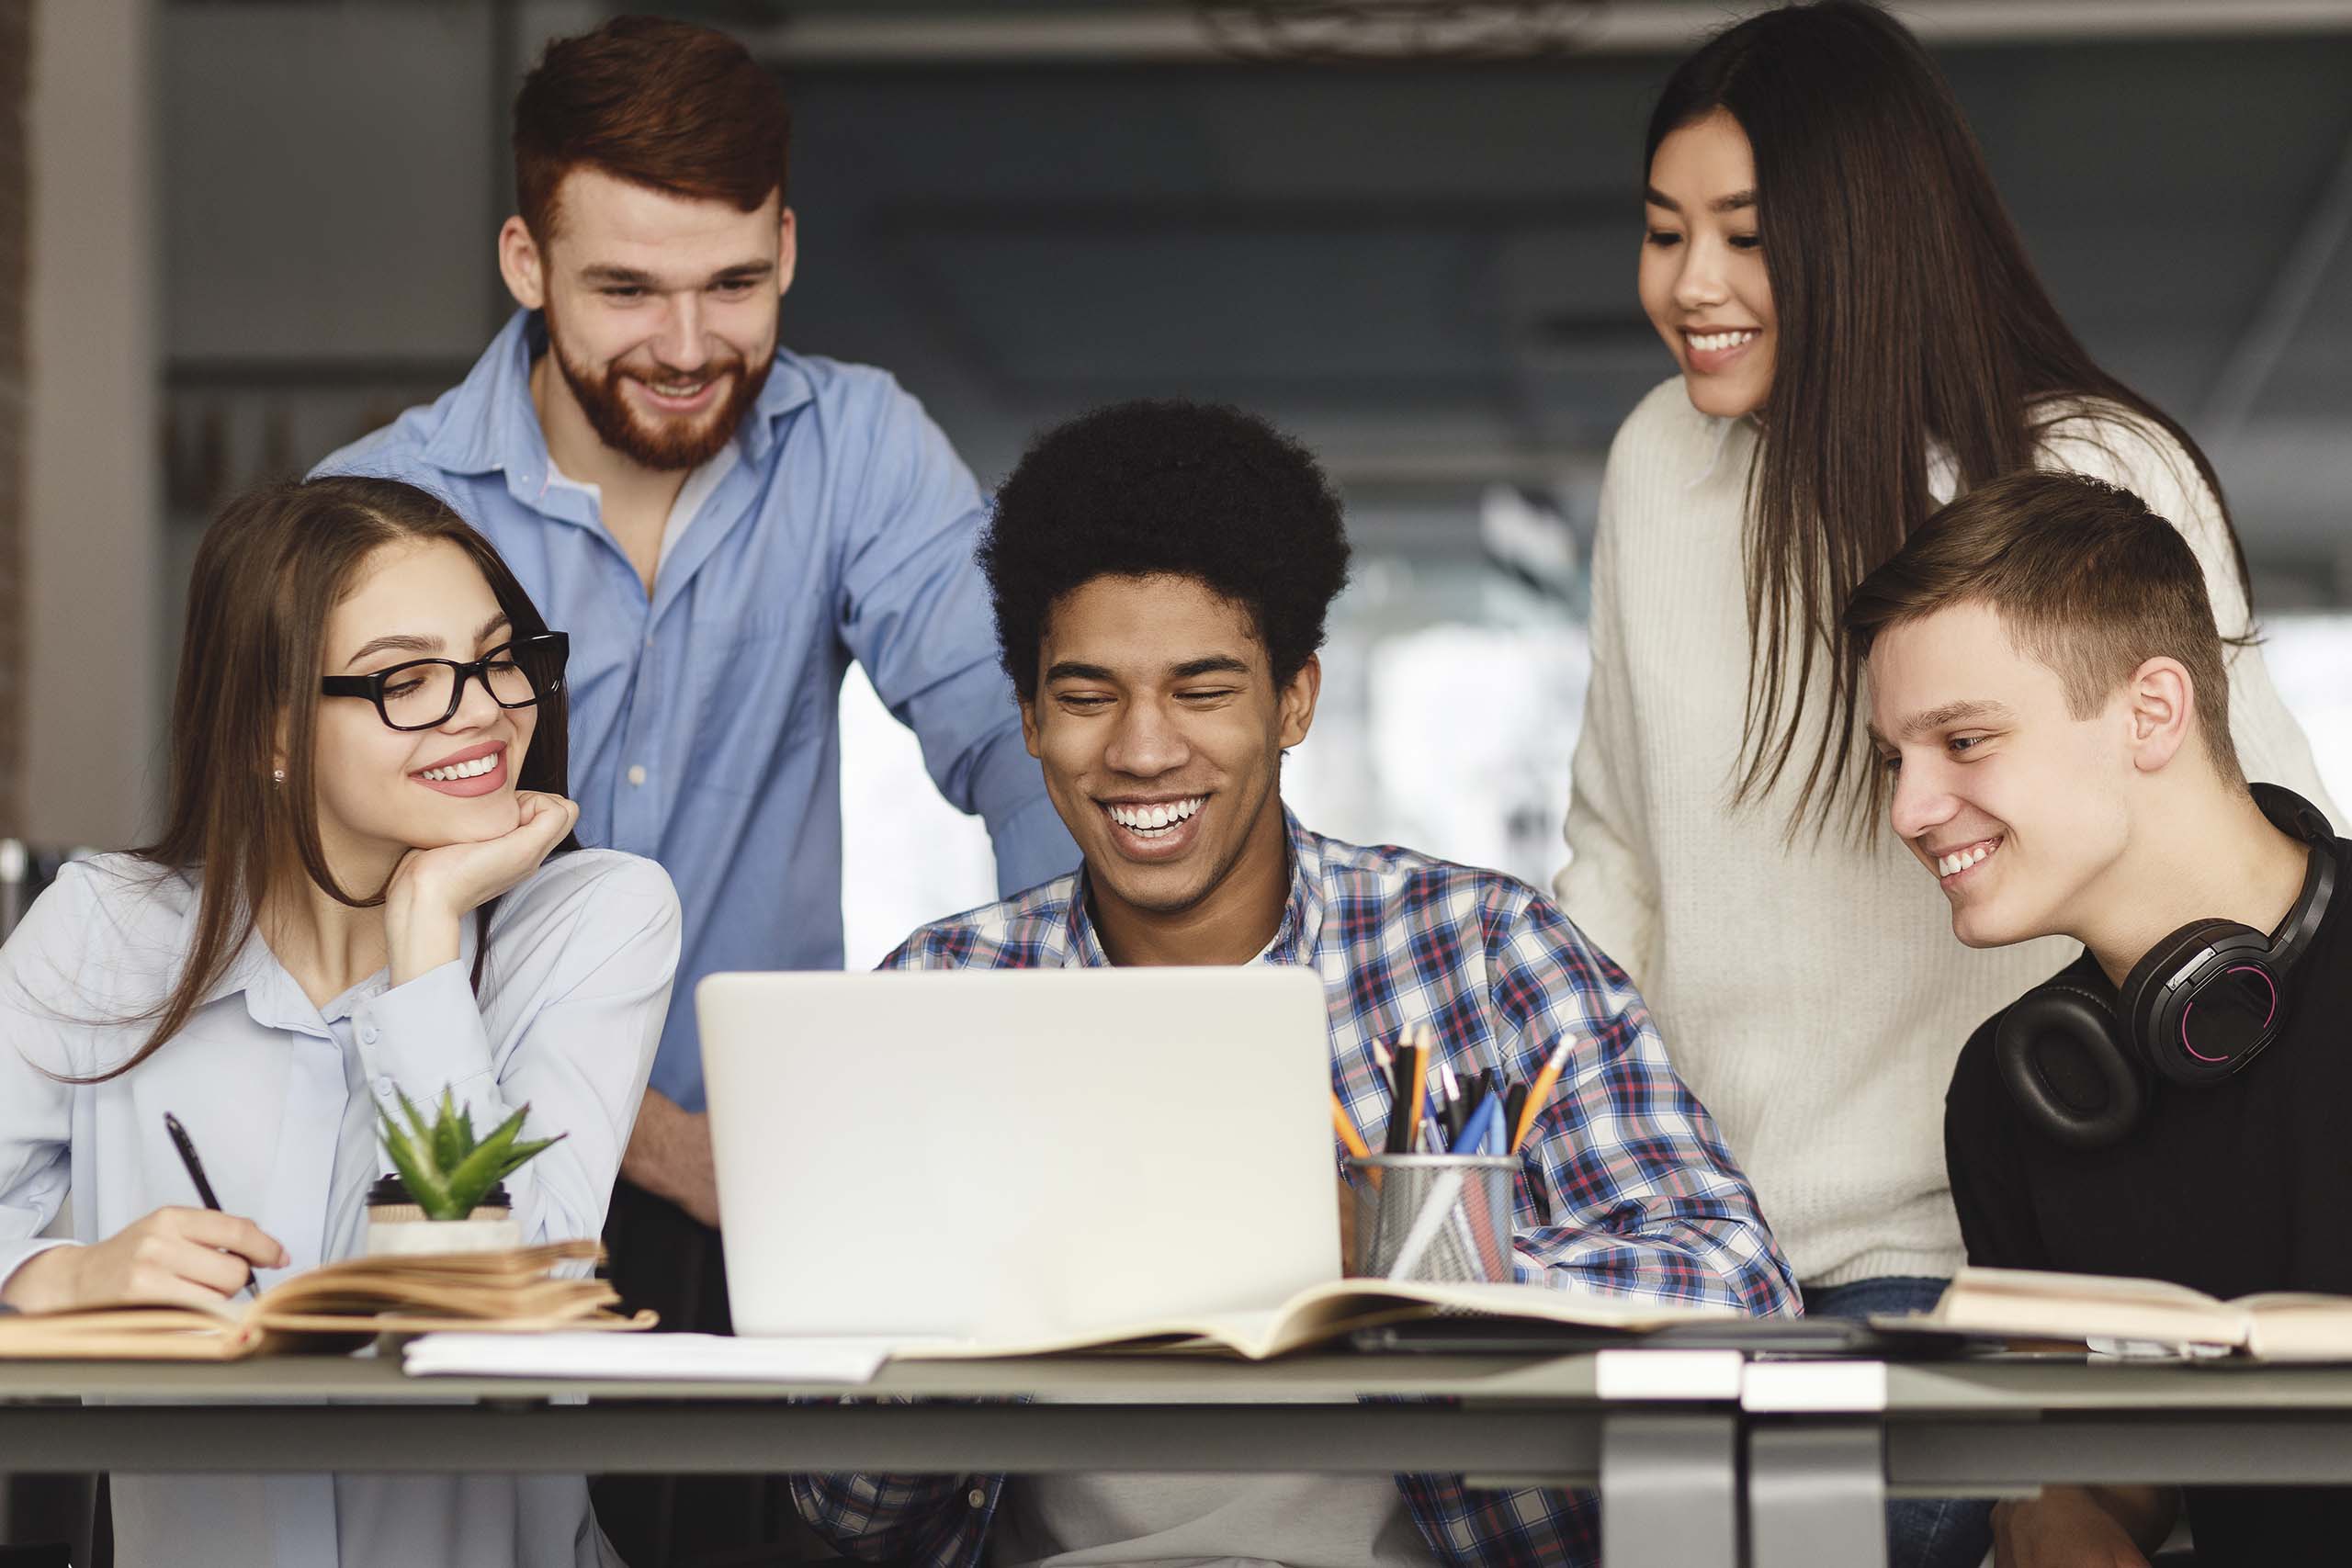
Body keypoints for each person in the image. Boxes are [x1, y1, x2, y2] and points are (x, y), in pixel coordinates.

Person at [1554, 5, 2336, 1562]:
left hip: (1991, 1251)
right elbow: (1615, 859)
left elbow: (2245, 864)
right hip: (1703, 1269)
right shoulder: (1660, 464)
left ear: (1860, 236)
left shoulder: (2092, 470)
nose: (1689, 285)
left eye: (1746, 235)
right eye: (1663, 232)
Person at [791, 399, 1797, 1568]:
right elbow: (840, 1505)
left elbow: (1741, 1305)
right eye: (1086, 696)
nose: (1143, 749)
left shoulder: (1482, 952)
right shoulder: (941, 999)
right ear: (1028, 717)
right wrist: (973, 1305)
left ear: (1294, 701)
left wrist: (1391, 1250)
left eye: (1203, 690)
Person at [314, 17, 1073, 1557]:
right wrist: (660, 1140)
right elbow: (329, 908)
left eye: (733, 284)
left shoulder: (855, 443)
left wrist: (1070, 1039)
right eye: (627, 289)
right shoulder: (373, 512)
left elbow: (1019, 743)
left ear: (787, 243)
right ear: (527, 261)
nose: (684, 343)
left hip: (766, 1194)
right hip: (462, 1176)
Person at [0, 475, 679, 1567]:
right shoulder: (103, 932)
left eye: (498, 657)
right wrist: (54, 1280)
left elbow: (486, 1311)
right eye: (403, 679)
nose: (482, 708)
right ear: (270, 730)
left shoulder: (597, 917)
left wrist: (424, 938)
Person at [1847, 469, 2351, 1568]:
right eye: (1896, 758)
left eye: (1964, 742)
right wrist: (2055, 1505)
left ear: (2152, 712)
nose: (1907, 810)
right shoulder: (2015, 1088)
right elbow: (2096, 1458)